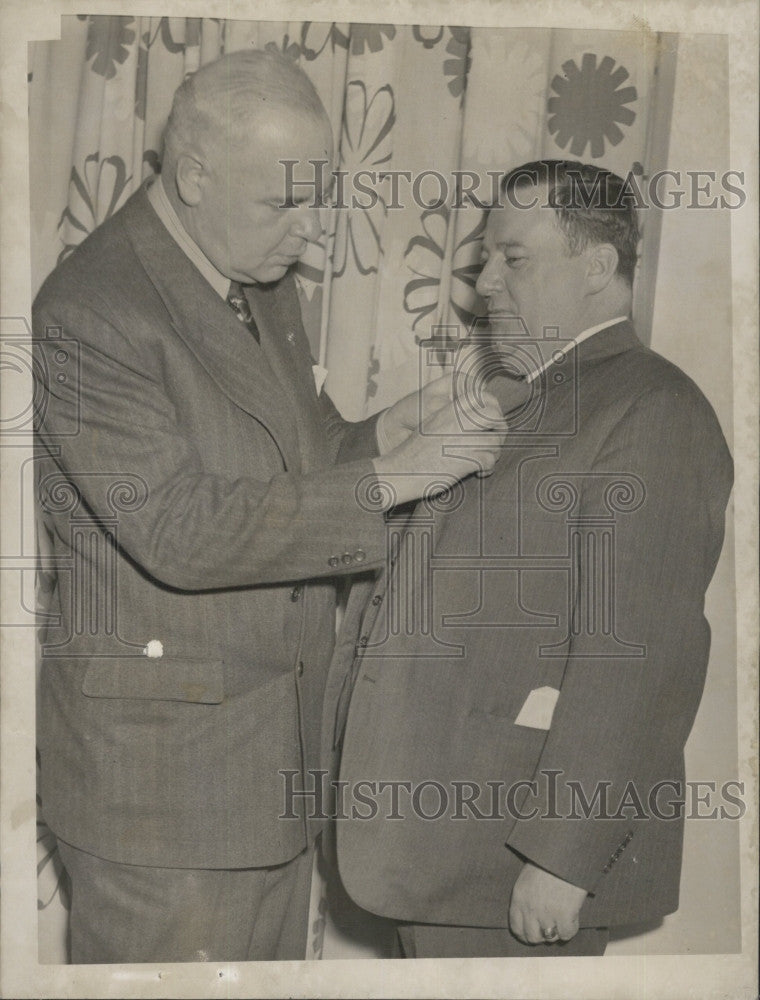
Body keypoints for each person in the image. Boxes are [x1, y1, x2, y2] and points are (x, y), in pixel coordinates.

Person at [32, 49, 508, 964]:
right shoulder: (91, 311)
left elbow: (301, 458)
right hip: (160, 797)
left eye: (316, 198)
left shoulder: (257, 279)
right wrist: (395, 481)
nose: (308, 231)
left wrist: (385, 435)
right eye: (282, 203)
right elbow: (179, 528)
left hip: (269, 775)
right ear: (194, 174)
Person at [332, 159, 734, 958]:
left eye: (512, 258)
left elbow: (640, 661)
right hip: (440, 855)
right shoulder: (522, 397)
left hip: (511, 864)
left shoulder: (654, 408)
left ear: (597, 266)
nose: (482, 283)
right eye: (487, 258)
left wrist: (562, 858)